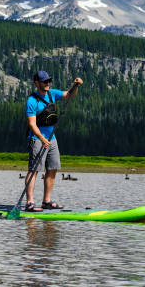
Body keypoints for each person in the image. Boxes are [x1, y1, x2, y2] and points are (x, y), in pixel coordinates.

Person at [24, 70, 83, 212]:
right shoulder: (32, 101)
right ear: (37, 83)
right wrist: (42, 139)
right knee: (34, 171)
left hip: (52, 139)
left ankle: (47, 201)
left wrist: (75, 86)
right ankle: (30, 202)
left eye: (48, 81)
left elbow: (69, 96)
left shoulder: (52, 93)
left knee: (52, 169)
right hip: (37, 139)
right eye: (44, 81)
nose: (47, 84)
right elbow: (32, 124)